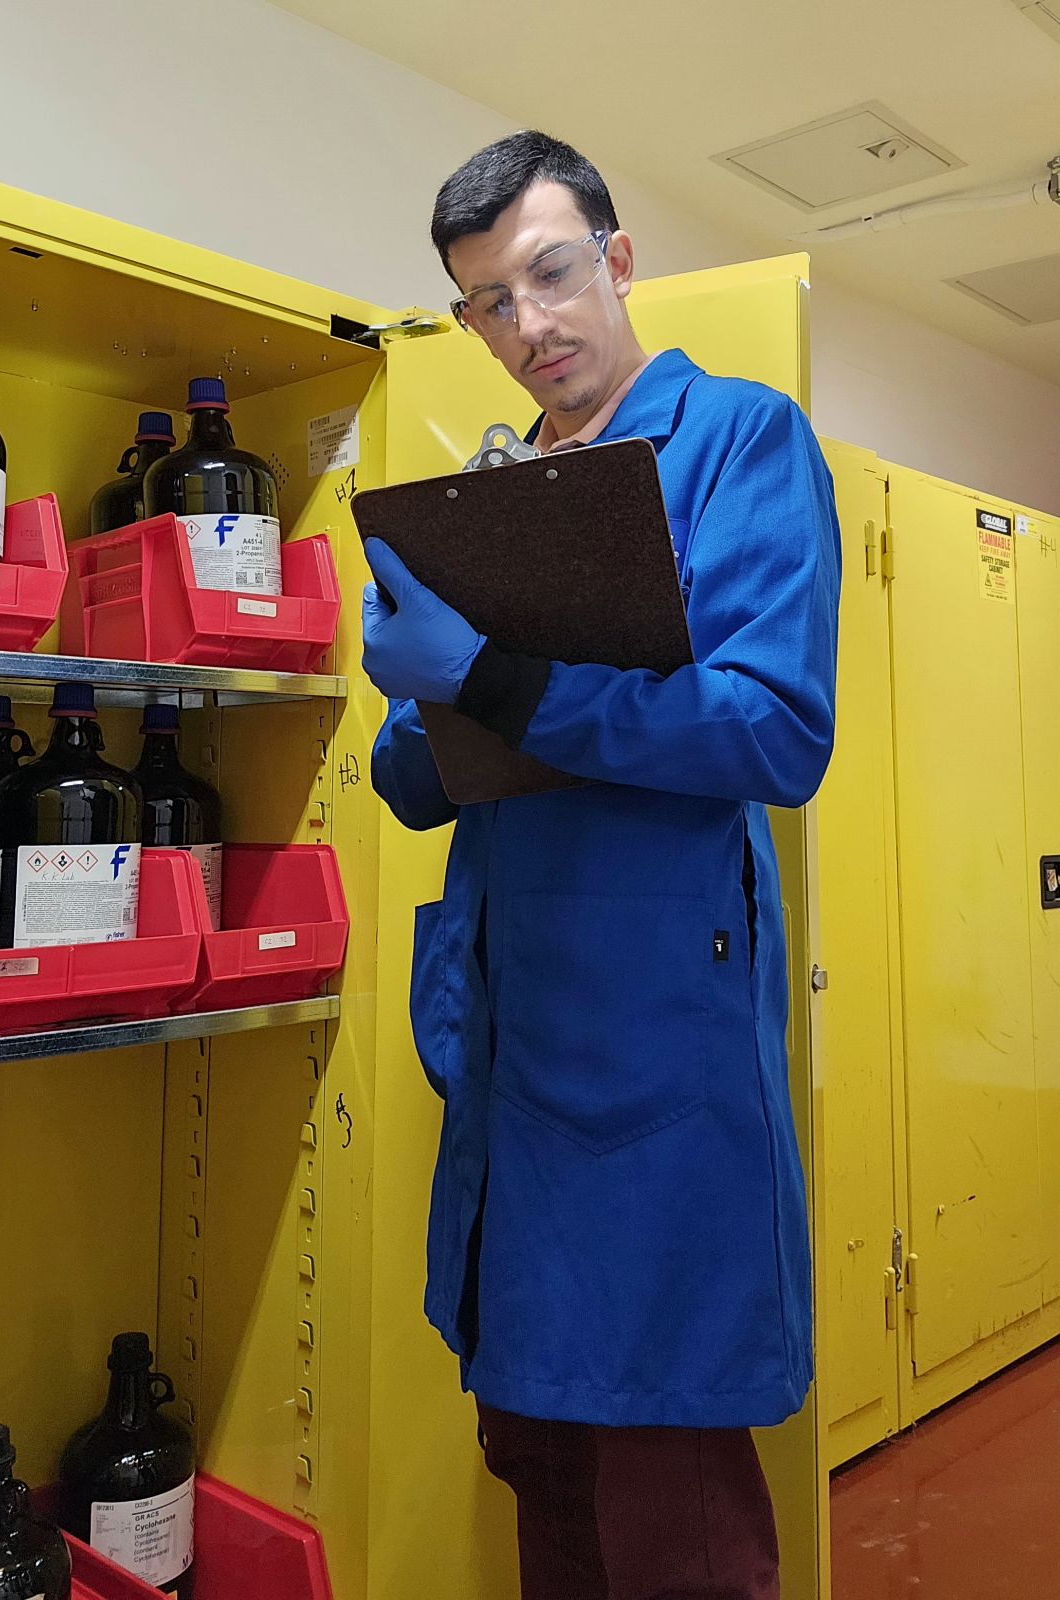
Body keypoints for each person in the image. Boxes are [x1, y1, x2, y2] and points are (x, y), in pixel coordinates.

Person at [360, 130, 841, 1600]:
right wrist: (415, 689)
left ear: (618, 260)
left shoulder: (739, 443)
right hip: (512, 1055)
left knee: (670, 1503)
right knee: (543, 1470)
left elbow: (773, 730)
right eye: (489, 304)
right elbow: (411, 782)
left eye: (551, 274)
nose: (530, 326)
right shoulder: (491, 493)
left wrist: (494, 678)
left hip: (656, 1053)